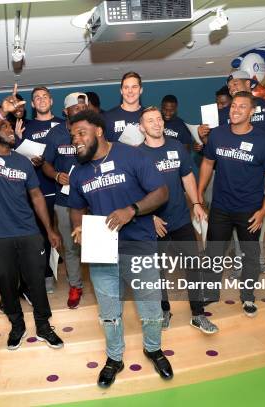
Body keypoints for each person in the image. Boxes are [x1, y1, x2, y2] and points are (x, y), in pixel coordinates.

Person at [68, 109, 172, 388]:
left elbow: (162, 192)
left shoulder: (131, 155)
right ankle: (115, 358)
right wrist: (78, 226)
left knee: (151, 309)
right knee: (109, 312)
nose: (75, 139)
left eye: (81, 133)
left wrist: (132, 210)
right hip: (101, 249)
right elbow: (76, 208)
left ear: (98, 131)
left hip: (138, 244)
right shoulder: (78, 173)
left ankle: (153, 349)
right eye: (72, 135)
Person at [0, 85, 64, 351]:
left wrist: (49, 230)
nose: (12, 131)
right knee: (7, 284)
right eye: (7, 128)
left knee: (37, 283)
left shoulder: (22, 162)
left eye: (12, 128)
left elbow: (36, 196)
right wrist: (2, 112)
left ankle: (44, 326)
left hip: (29, 232)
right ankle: (17, 325)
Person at [198, 91, 265, 317]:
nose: (235, 110)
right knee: (214, 253)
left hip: (250, 211)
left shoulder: (264, 141)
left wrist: (263, 211)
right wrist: (198, 194)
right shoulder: (218, 135)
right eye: (233, 106)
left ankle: (247, 297)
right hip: (221, 207)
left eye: (242, 107)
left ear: (251, 112)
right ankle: (210, 293)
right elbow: (207, 163)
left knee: (250, 255)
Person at [138, 107, 217, 334]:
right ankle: (164, 309)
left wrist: (196, 204)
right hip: (154, 223)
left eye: (159, 119)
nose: (156, 123)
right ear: (142, 127)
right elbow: (133, 191)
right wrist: (149, 216)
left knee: (193, 266)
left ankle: (198, 314)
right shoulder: (137, 154)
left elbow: (187, 177)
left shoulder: (176, 147)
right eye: (150, 121)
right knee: (157, 270)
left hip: (181, 218)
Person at [16, 86, 66, 293]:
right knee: (43, 234)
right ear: (33, 104)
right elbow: (17, 157)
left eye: (45, 96)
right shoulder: (25, 127)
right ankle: (46, 274)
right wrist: (19, 142)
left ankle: (78, 276)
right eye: (37, 98)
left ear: (51, 101)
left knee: (69, 232)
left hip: (65, 187)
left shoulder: (65, 125)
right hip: (38, 188)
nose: (42, 100)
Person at [43, 92, 88, 308]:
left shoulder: (94, 130)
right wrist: (55, 175)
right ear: (65, 112)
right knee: (70, 247)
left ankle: (104, 284)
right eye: (76, 108)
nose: (80, 110)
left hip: (92, 198)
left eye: (83, 107)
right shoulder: (55, 134)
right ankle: (75, 285)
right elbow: (45, 163)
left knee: (97, 245)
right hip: (64, 199)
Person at [103, 72, 143, 142]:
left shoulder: (149, 116)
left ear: (141, 90)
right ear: (121, 91)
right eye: (126, 87)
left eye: (134, 87)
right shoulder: (108, 117)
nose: (130, 91)